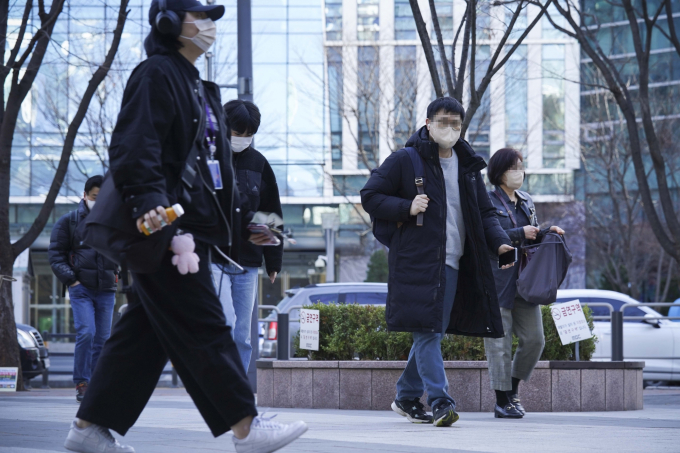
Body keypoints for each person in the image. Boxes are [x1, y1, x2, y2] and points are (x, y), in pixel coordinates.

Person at [63, 1, 307, 452]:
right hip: (170, 232)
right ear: (170, 22)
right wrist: (151, 203)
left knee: (143, 336)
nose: (210, 26)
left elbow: (247, 199)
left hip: (211, 237)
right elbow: (135, 146)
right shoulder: (157, 73)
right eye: (202, 16)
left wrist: (268, 246)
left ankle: (88, 429)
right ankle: (246, 427)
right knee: (207, 325)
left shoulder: (195, 84)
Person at [361, 97, 514, 427]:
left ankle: (405, 395)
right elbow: (370, 196)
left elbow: (485, 213)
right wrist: (407, 207)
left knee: (432, 333)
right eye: (443, 122)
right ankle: (442, 402)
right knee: (428, 332)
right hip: (419, 261)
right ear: (428, 123)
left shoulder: (468, 167)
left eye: (456, 123)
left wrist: (501, 242)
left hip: (456, 260)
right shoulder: (407, 159)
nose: (449, 128)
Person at [483, 148, 565, 419]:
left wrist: (545, 232)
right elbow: (485, 236)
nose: (520, 172)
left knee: (535, 340)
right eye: (514, 167)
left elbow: (533, 233)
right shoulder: (487, 200)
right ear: (500, 172)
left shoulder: (526, 200)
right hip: (498, 280)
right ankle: (501, 400)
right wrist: (519, 233)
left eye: (521, 166)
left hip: (526, 280)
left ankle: (513, 391)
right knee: (499, 343)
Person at [212, 100, 283, 372]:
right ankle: (219, 383)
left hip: (248, 261)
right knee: (224, 323)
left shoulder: (259, 164)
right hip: (215, 256)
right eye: (237, 132)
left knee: (242, 332)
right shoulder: (210, 159)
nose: (242, 139)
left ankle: (237, 389)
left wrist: (273, 260)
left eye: (248, 134)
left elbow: (270, 213)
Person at [49, 175, 118, 403]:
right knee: (86, 332)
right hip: (81, 288)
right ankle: (82, 383)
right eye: (94, 197)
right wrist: (72, 280)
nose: (98, 202)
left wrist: (117, 273)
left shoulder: (113, 221)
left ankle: (96, 384)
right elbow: (55, 255)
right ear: (85, 195)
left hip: (106, 289)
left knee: (103, 339)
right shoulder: (69, 221)